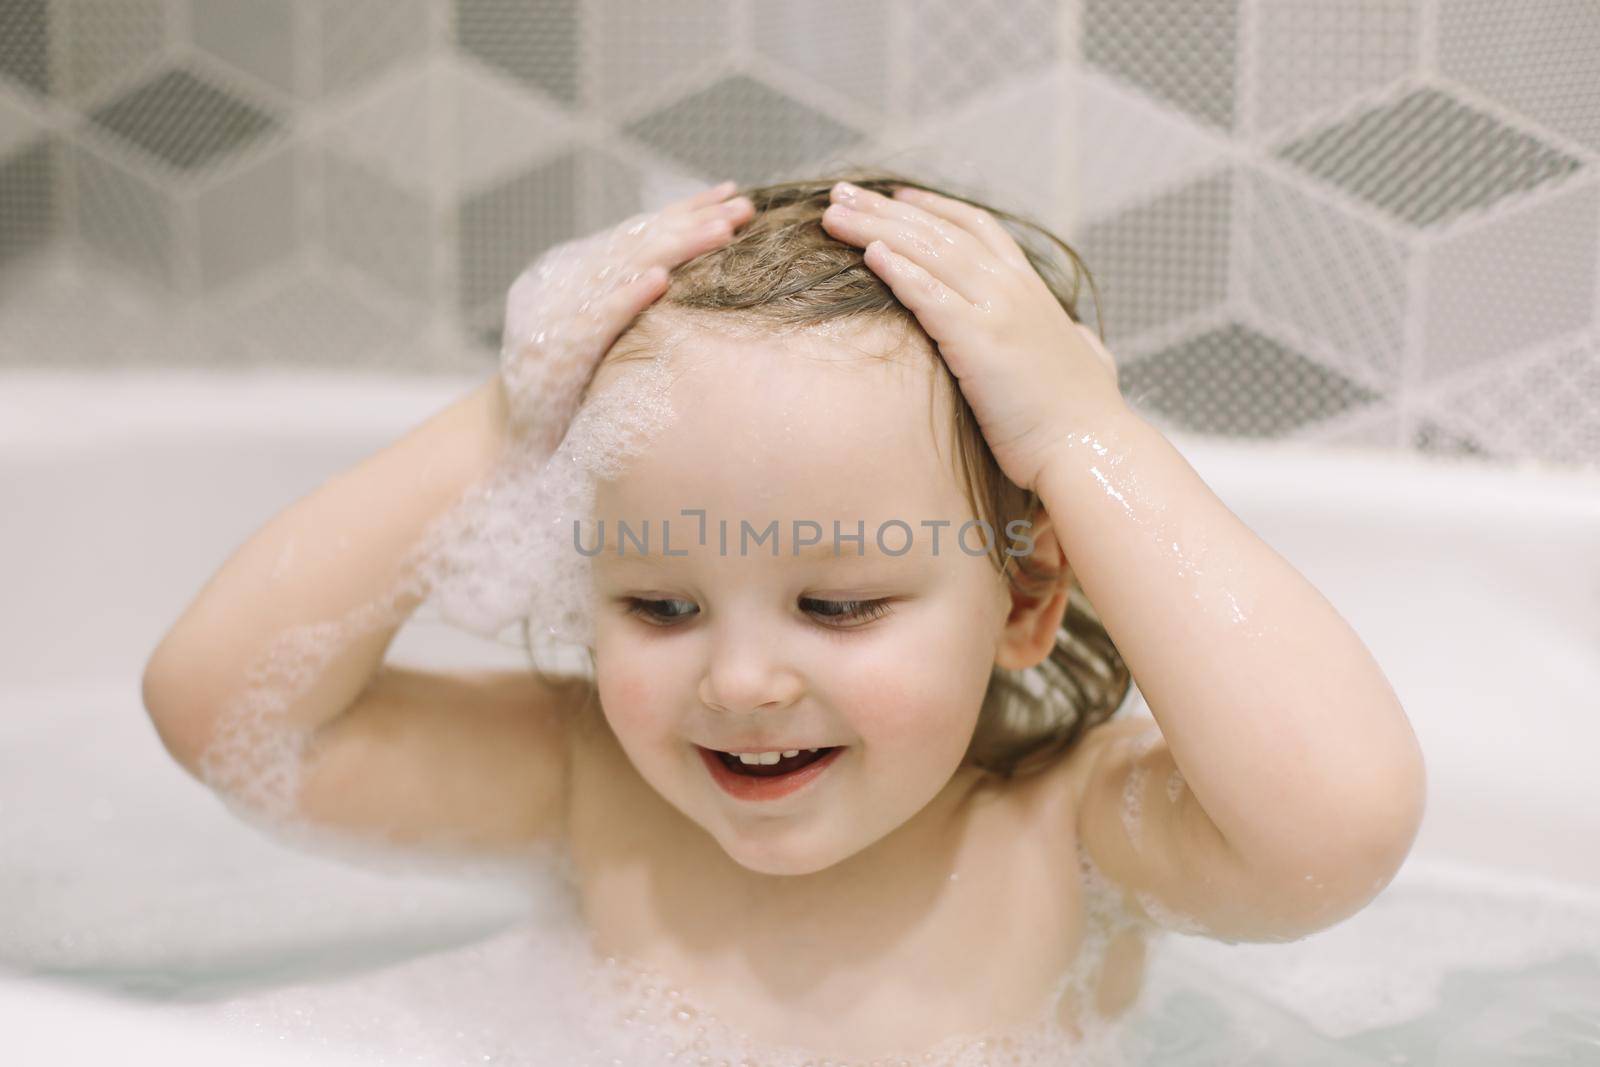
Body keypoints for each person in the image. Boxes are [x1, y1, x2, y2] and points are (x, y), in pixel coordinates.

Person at [141, 171, 1427, 1063]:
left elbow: (1334, 827)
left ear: (1024, 599)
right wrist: (507, 418)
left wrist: (1084, 433)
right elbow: (226, 714)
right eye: (657, 604)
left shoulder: (1063, 833)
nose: (743, 678)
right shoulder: (590, 782)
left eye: (839, 603)